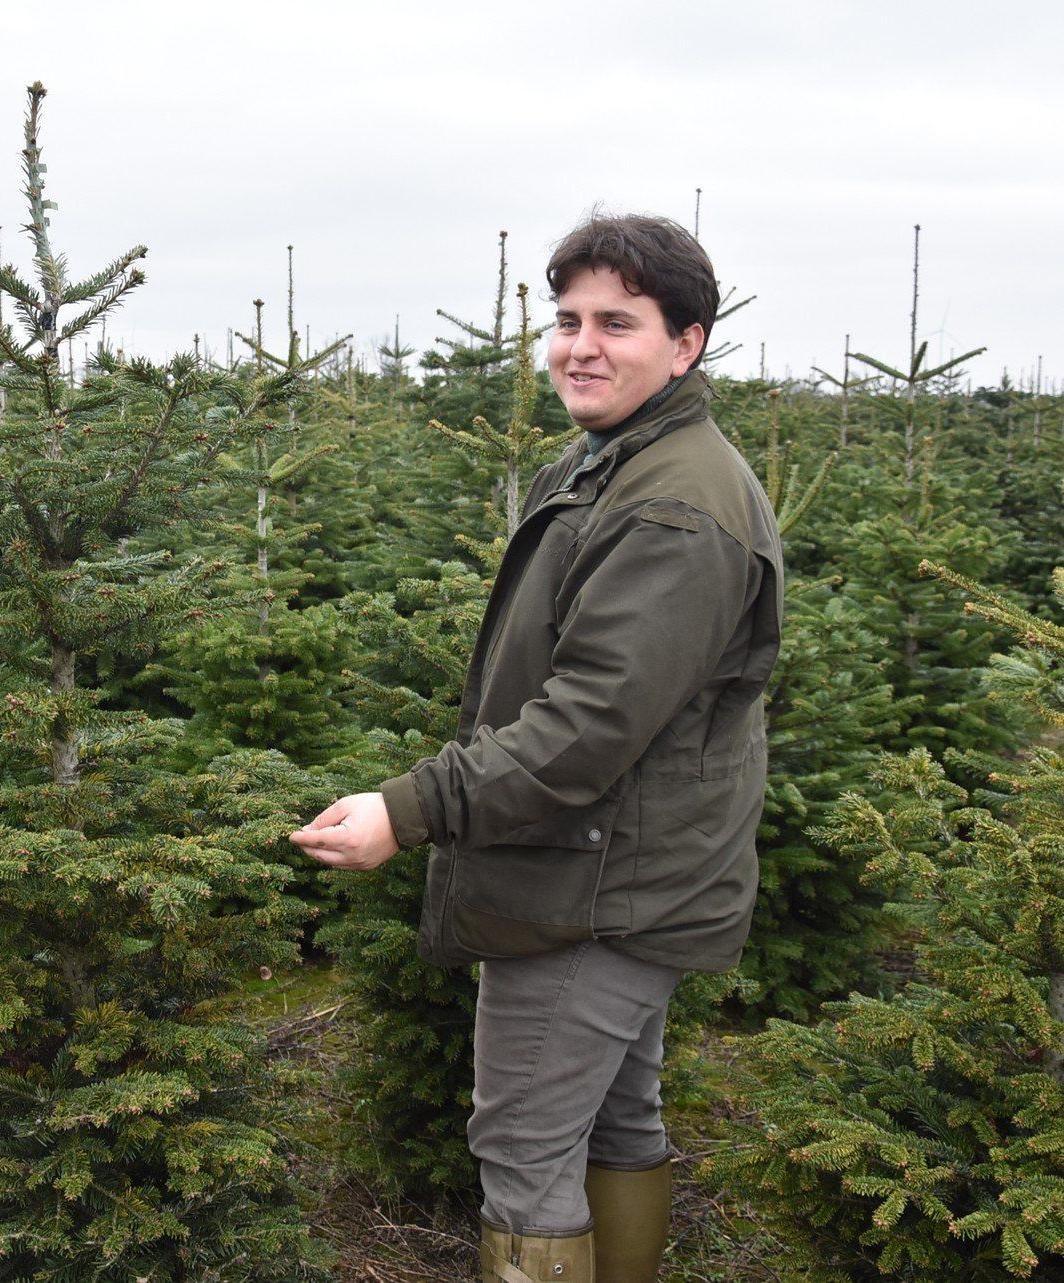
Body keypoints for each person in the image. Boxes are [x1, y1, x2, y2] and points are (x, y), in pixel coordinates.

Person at [289, 211, 784, 1283]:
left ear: (687, 341)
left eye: (618, 321)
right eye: (566, 320)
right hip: (622, 870)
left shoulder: (675, 505)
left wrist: (408, 807)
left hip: (593, 886)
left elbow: (585, 728)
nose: (580, 346)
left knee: (525, 1143)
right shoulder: (620, 459)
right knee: (615, 1113)